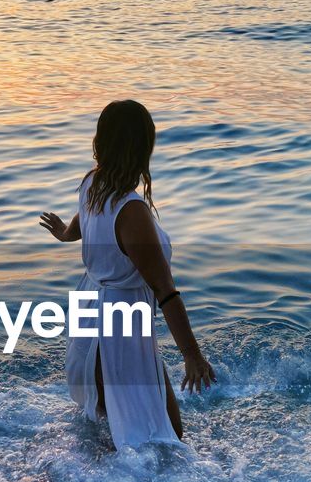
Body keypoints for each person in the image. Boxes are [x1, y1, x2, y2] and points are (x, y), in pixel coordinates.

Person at [40, 99, 215, 449]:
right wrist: (192, 355)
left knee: (114, 428)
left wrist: (64, 233)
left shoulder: (93, 184)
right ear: (142, 148)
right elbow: (166, 292)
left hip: (91, 318)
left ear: (101, 142)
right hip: (121, 331)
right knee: (163, 436)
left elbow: (85, 221)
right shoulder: (131, 211)